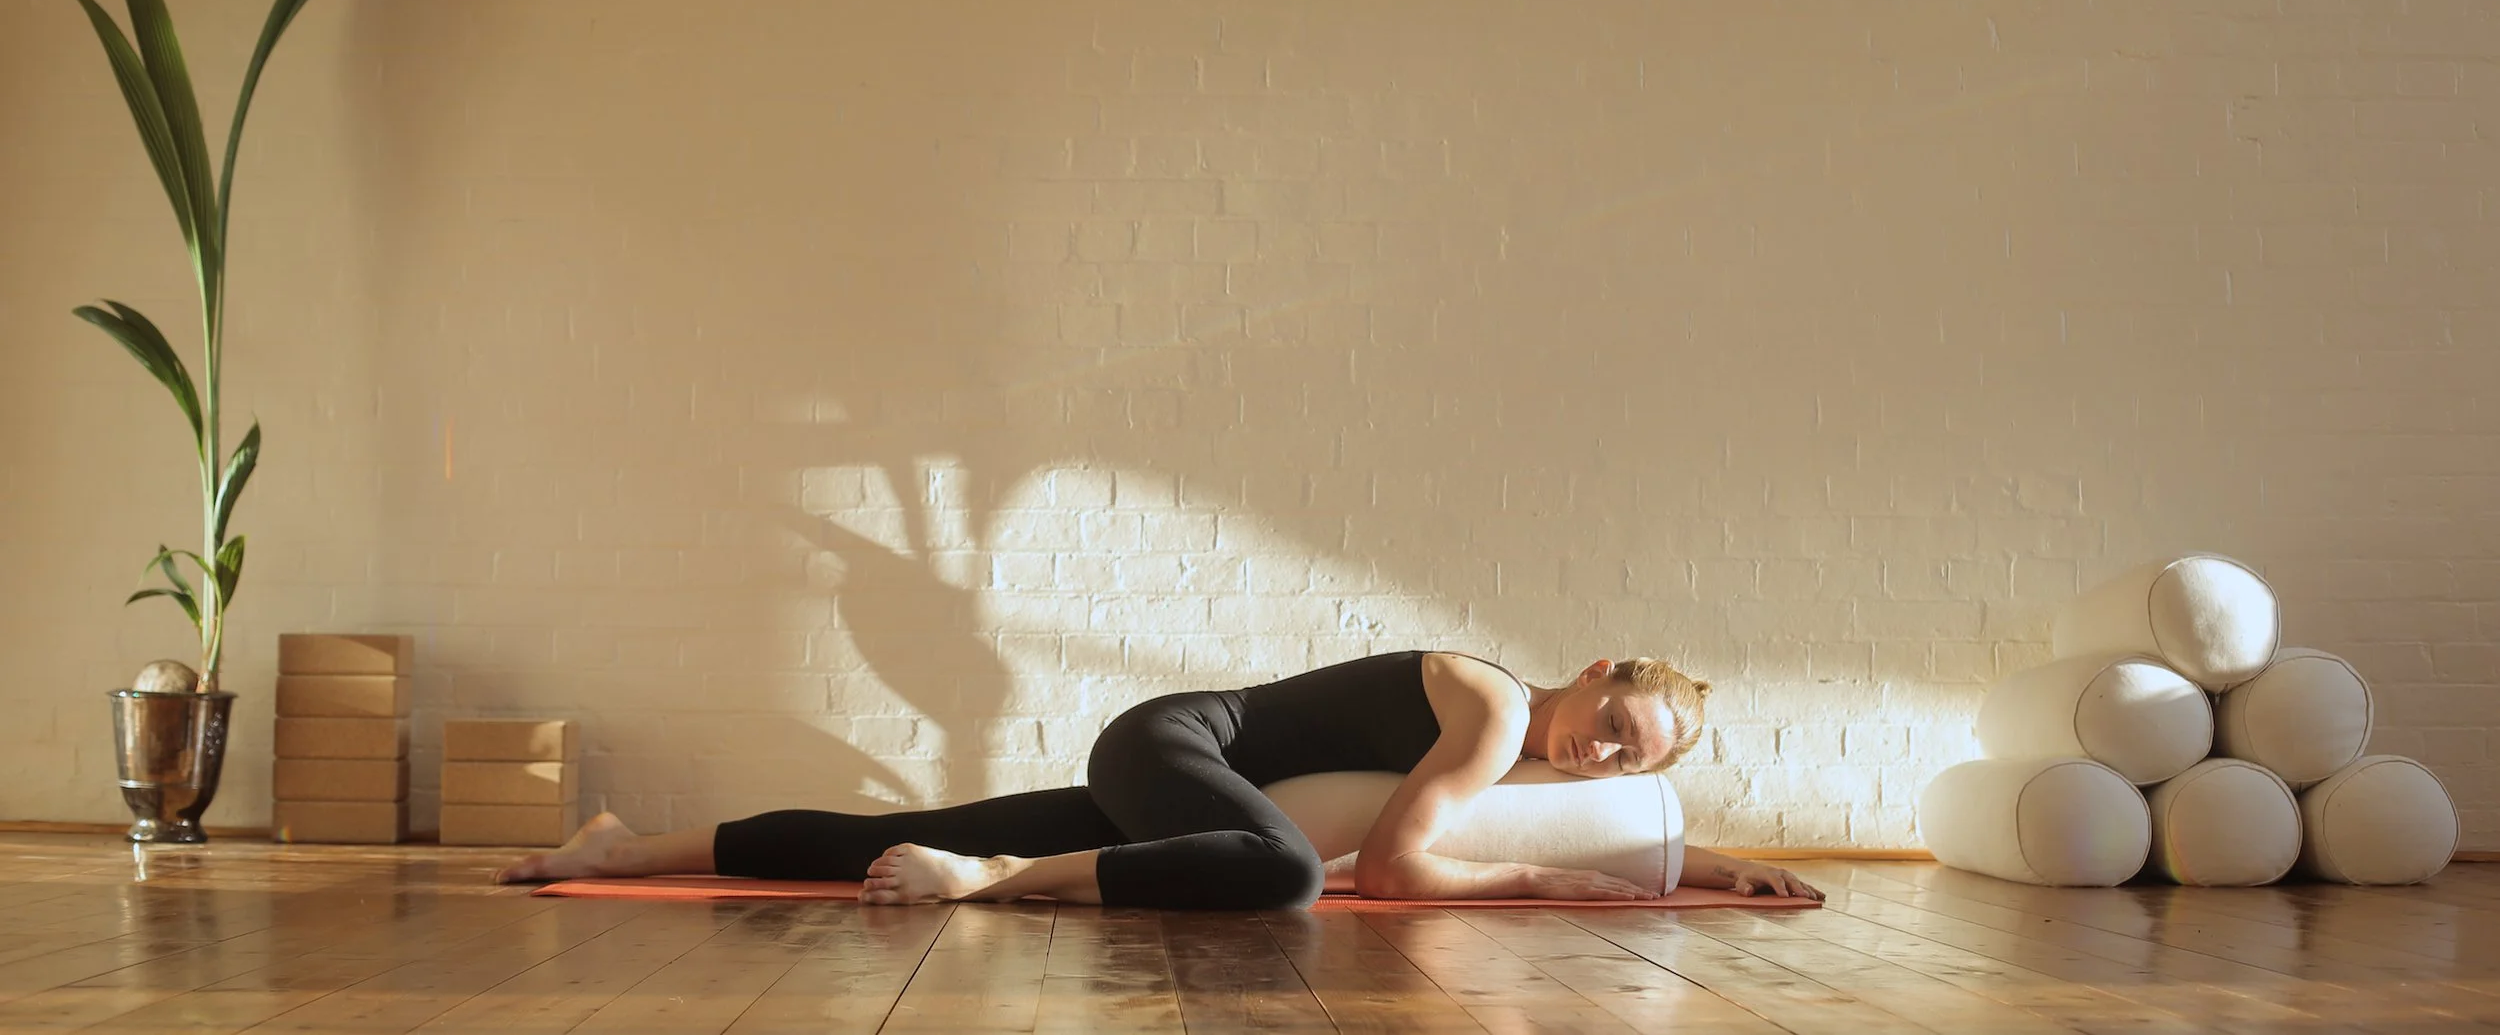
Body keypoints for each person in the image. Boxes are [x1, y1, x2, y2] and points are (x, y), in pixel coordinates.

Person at [493, 650, 1825, 907]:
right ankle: (996, 884)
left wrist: (1699, 867)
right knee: (1289, 873)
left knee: (892, 828)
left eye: (1629, 757)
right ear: (1589, 671)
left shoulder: (1517, 746)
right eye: (1613, 723)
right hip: (1175, 742)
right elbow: (1403, 868)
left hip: (1176, 767)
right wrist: (1567, 889)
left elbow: (1563, 830)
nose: (1601, 754)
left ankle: (619, 846)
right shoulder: (1486, 710)